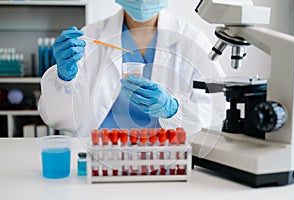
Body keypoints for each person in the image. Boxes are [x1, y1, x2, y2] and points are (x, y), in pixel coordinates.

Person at [38, 0, 226, 137]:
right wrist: (65, 79)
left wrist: (174, 111)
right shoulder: (89, 36)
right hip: (100, 152)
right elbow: (58, 118)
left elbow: (219, 113)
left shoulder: (192, 40)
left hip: (167, 155)